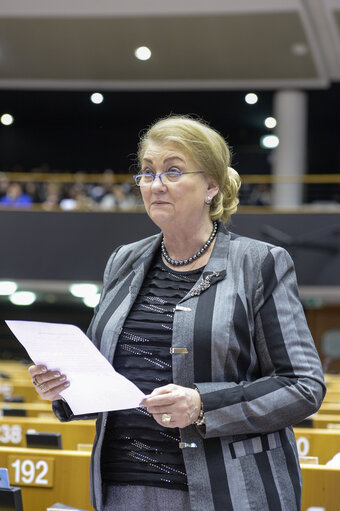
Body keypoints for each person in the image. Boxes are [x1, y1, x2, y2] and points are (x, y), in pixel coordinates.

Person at [29, 115, 325, 511]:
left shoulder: (259, 263)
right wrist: (66, 388)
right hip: (123, 486)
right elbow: (114, 380)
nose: (155, 184)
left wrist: (203, 404)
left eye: (172, 171)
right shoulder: (124, 261)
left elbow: (303, 385)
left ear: (211, 185)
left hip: (227, 491)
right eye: (147, 173)